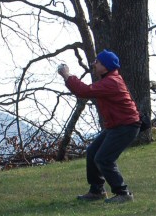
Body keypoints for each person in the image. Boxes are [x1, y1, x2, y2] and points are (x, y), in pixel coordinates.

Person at [57, 49, 140, 203]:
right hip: (117, 126)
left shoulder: (111, 82)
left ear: (106, 66)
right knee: (92, 151)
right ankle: (97, 191)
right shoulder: (108, 80)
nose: (94, 64)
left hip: (126, 126)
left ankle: (123, 193)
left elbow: (83, 91)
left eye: (98, 62)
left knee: (103, 158)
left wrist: (67, 75)